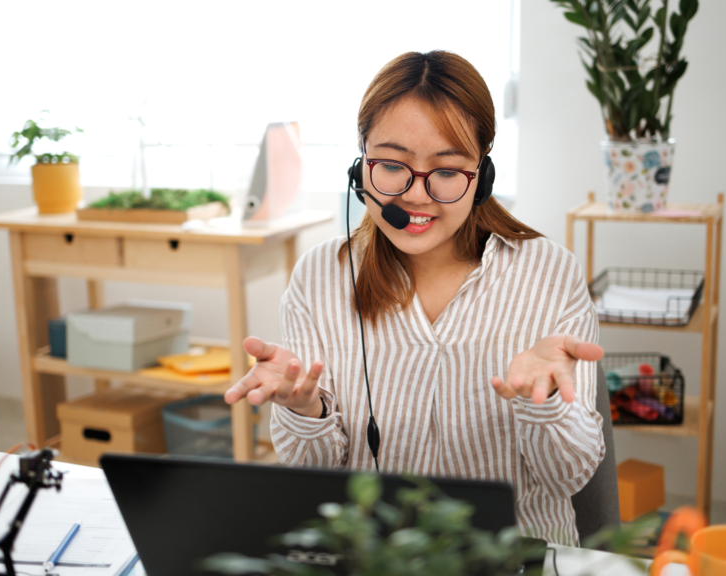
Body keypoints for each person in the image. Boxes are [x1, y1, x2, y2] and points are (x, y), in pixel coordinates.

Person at [225, 50, 605, 546]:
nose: (416, 196)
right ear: (360, 166)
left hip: (510, 558)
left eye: (447, 172)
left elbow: (568, 478)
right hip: (372, 557)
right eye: (391, 165)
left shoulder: (548, 274)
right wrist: (304, 409)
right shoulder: (322, 276)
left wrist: (546, 404)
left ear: (481, 177)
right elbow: (314, 483)